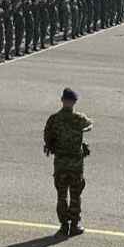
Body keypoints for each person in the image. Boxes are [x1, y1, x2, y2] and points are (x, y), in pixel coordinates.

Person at [43, 87, 93, 236]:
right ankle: (74, 225)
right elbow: (90, 125)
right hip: (76, 164)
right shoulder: (79, 119)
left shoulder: (54, 119)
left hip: (60, 163)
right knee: (76, 195)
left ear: (62, 100)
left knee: (61, 195)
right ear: (74, 102)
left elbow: (47, 137)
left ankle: (64, 225)